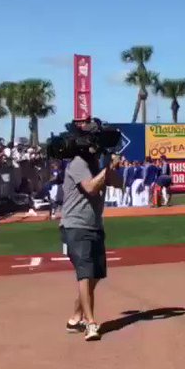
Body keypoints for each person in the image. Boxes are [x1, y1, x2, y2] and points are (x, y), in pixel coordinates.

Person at [61, 137, 120, 341]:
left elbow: (120, 184)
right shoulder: (78, 163)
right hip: (75, 226)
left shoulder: (97, 166)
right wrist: (106, 170)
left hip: (95, 226)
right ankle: (91, 323)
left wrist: (112, 168)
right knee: (85, 273)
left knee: (95, 274)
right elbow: (91, 188)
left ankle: (75, 317)